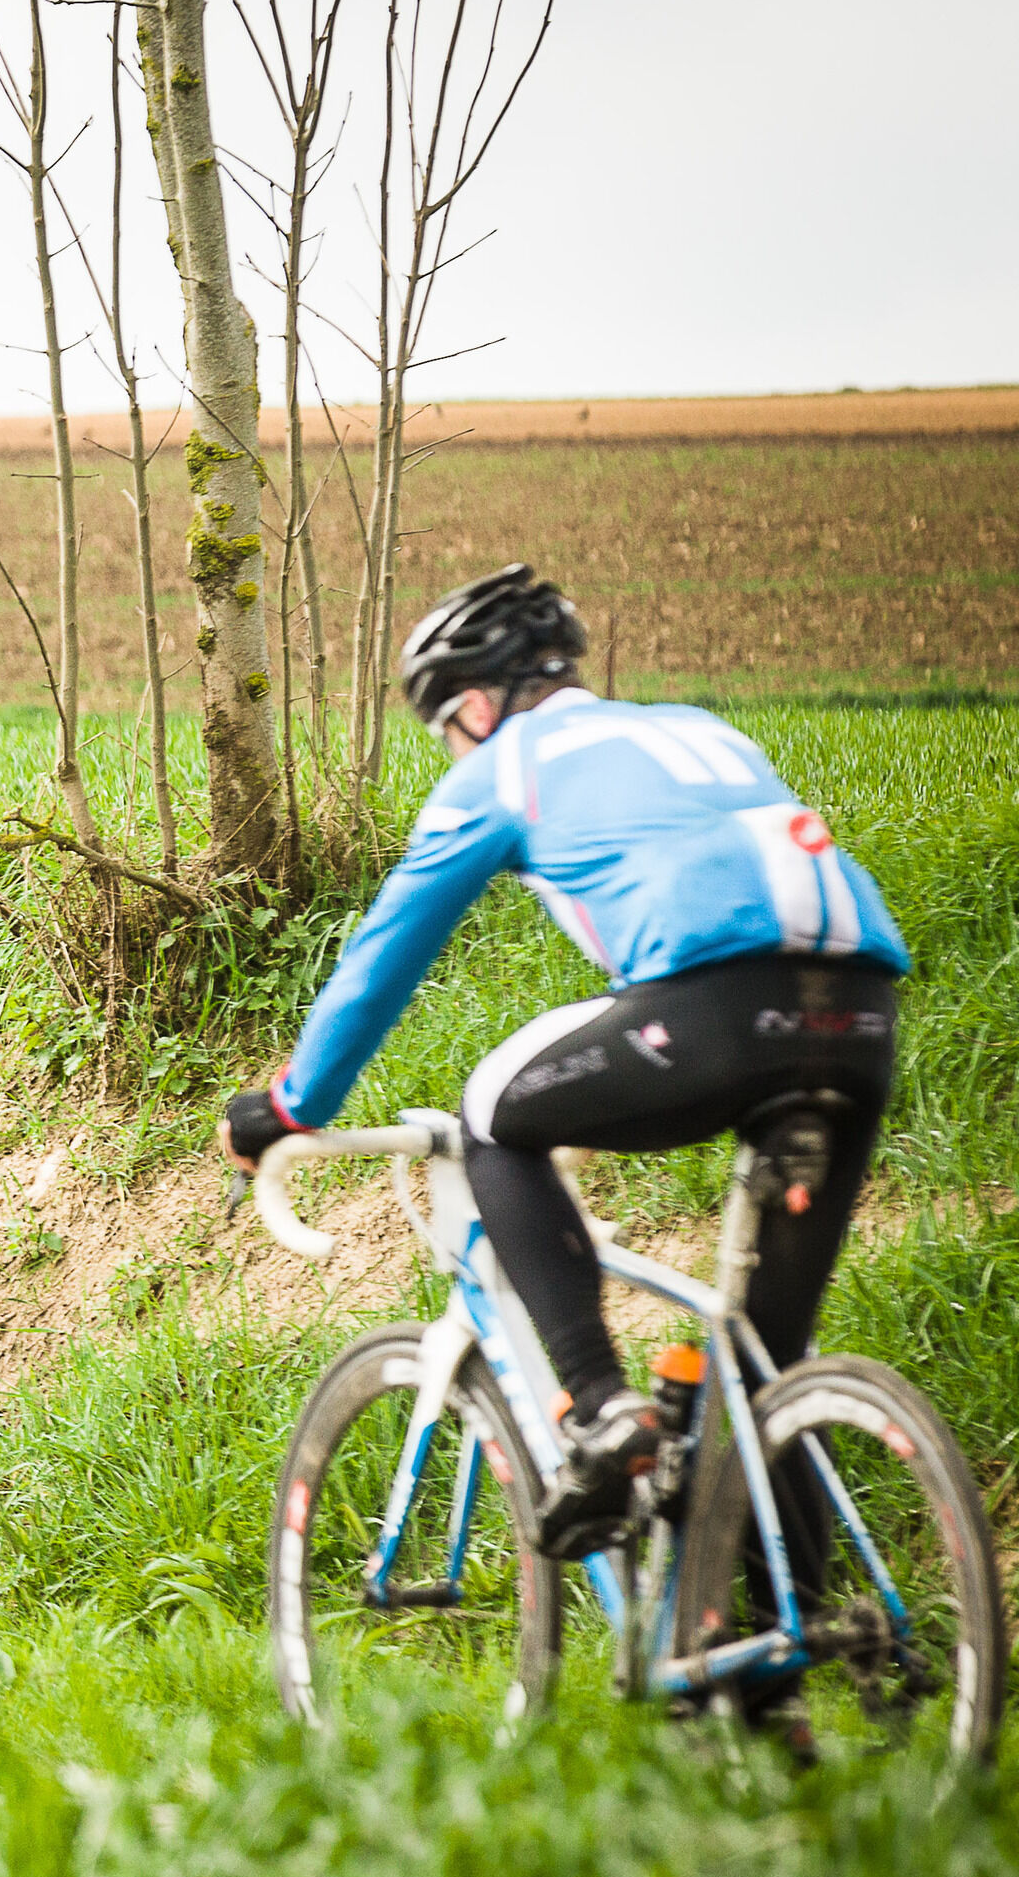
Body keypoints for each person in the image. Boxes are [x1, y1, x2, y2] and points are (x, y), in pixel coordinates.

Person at [221, 565, 908, 1563]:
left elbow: (383, 956)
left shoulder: (504, 767)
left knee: (493, 1114)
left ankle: (598, 1406)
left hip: (714, 1010)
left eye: (446, 728)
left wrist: (291, 1105)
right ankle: (777, 1640)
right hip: (862, 1019)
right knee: (766, 1367)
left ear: (477, 705)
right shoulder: (702, 730)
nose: (452, 748)